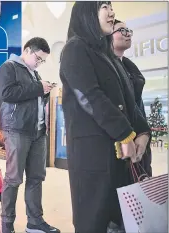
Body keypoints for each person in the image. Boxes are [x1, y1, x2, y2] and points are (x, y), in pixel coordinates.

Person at [60, 2, 151, 232]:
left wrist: (142, 132)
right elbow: (90, 97)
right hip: (93, 157)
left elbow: (131, 100)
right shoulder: (75, 49)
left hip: (121, 159)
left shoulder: (108, 55)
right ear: (87, 12)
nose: (112, 12)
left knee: (122, 219)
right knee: (94, 219)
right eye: (104, 6)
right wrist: (124, 133)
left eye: (111, 6)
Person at [0, 37, 59, 233]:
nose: (40, 63)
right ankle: (7, 224)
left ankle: (35, 221)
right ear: (27, 51)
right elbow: (7, 94)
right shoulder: (9, 67)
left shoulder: (34, 74)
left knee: (36, 178)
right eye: (39, 58)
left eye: (43, 60)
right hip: (16, 130)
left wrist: (45, 91)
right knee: (13, 178)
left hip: (38, 132)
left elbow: (33, 98)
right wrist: (38, 88)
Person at [112, 19, 153, 177]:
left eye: (128, 30)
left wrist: (144, 133)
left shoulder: (129, 67)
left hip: (140, 138)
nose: (127, 33)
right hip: (121, 143)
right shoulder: (105, 69)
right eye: (122, 30)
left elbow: (137, 105)